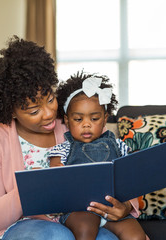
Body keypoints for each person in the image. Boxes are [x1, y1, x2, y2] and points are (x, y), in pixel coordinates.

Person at [0, 36, 140, 240]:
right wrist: (27, 190)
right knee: (57, 235)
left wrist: (124, 206)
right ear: (11, 112)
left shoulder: (72, 121)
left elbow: (114, 165)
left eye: (50, 99)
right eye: (34, 111)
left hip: (82, 220)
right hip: (22, 227)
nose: (49, 113)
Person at [48, 72, 147, 240]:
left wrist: (139, 162)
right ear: (67, 120)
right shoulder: (63, 148)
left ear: (105, 119)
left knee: (136, 236)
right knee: (85, 229)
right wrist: (58, 172)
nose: (86, 124)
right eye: (78, 119)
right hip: (79, 210)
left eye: (94, 118)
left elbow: (131, 173)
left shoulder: (118, 145)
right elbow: (55, 176)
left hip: (112, 208)